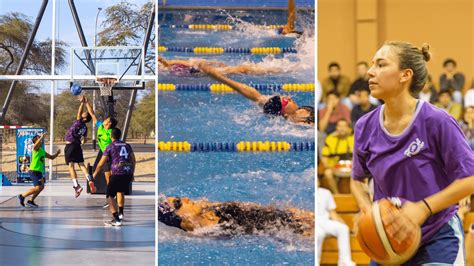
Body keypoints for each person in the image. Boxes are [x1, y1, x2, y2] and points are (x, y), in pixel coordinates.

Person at [350, 42, 474, 265]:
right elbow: (357, 180)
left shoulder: (437, 121)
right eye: (371, 65)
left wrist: (424, 208)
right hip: (388, 240)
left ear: (405, 75)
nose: (370, 72)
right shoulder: (364, 126)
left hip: (438, 236)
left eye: (381, 64)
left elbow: (470, 179)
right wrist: (368, 211)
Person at [197, 62, 314, 126]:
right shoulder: (297, 122)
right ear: (283, 112)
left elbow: (248, 91)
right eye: (286, 101)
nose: (289, 97)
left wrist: (219, 77)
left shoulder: (296, 111)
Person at [158, 195, 314, 237]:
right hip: (282, 225)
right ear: (179, 218)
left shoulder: (205, 209)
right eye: (178, 203)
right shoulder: (202, 227)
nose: (185, 199)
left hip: (278, 215)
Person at [84, 97, 121, 211]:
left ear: (109, 123)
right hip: (104, 153)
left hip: (111, 155)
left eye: (107, 119)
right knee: (107, 177)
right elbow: (92, 113)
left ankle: (110, 197)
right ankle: (110, 197)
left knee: (109, 177)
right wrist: (87, 103)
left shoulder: (111, 132)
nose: (104, 120)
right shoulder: (100, 126)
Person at [93, 128, 135, 226]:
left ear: (111, 136)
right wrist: (132, 173)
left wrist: (94, 174)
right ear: (119, 136)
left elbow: (100, 163)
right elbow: (133, 160)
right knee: (120, 191)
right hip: (127, 173)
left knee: (110, 195)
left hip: (117, 174)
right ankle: (121, 213)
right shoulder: (127, 145)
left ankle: (116, 219)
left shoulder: (110, 146)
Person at [317, 179, 356, 266]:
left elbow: (332, 212)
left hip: (325, 221)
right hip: (314, 223)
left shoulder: (326, 192)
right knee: (318, 234)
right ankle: (316, 262)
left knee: (343, 228)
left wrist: (343, 223)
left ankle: (344, 261)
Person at [64, 96, 96, 197]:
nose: (83, 112)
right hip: (77, 146)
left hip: (70, 145)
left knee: (71, 166)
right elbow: (85, 139)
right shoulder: (85, 128)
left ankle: (76, 186)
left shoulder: (79, 122)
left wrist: (82, 103)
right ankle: (89, 179)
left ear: (84, 118)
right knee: (81, 164)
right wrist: (82, 142)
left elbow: (79, 112)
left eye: (85, 113)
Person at [17, 133, 60, 207]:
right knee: (37, 188)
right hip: (34, 171)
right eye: (38, 138)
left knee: (41, 187)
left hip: (39, 172)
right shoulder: (35, 149)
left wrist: (57, 153)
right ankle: (22, 196)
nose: (40, 139)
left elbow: (51, 157)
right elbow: (35, 145)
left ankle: (31, 201)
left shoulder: (42, 150)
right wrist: (41, 137)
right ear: (36, 141)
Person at [158, 57, 288, 77]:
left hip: (205, 70)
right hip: (204, 73)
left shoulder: (170, 64)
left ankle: (274, 69)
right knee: (239, 70)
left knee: (242, 69)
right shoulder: (167, 70)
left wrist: (214, 63)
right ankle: (271, 69)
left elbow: (194, 63)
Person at [321, 119, 354, 194]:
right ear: (336, 128)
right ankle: (337, 194)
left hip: (352, 167)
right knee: (328, 173)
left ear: (348, 128)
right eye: (339, 126)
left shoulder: (355, 138)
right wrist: (328, 166)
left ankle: (356, 194)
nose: (342, 128)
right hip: (335, 166)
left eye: (344, 126)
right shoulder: (330, 139)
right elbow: (325, 156)